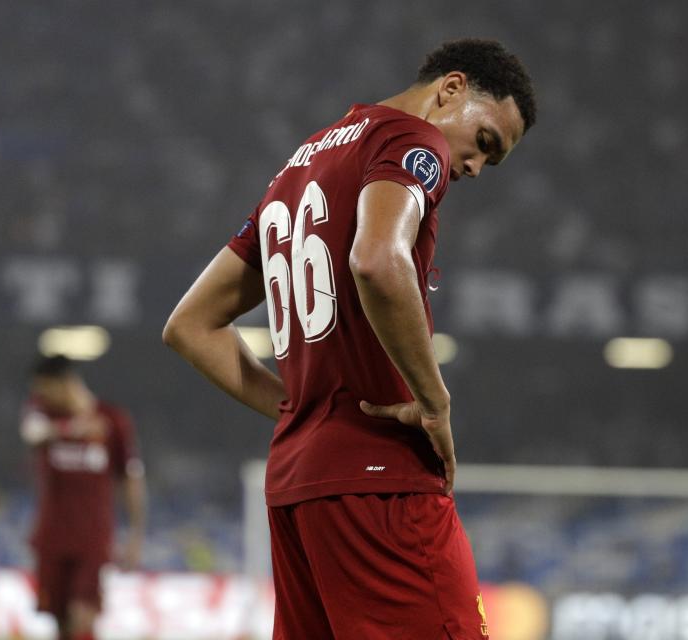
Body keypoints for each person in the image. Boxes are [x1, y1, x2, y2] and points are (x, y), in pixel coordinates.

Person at [163, 38, 536, 639]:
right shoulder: (413, 142)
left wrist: (299, 411)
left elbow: (189, 325)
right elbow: (377, 259)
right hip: (380, 481)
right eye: (485, 142)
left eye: (490, 161)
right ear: (452, 89)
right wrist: (435, 403)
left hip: (296, 488)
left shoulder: (302, 162)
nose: (473, 167)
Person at [20, 355, 147, 640]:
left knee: (83, 615)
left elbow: (131, 479)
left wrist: (135, 535)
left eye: (44, 389)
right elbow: (31, 433)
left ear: (66, 384)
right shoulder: (43, 413)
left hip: (93, 538)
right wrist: (70, 429)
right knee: (60, 621)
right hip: (51, 536)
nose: (40, 396)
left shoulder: (113, 420)